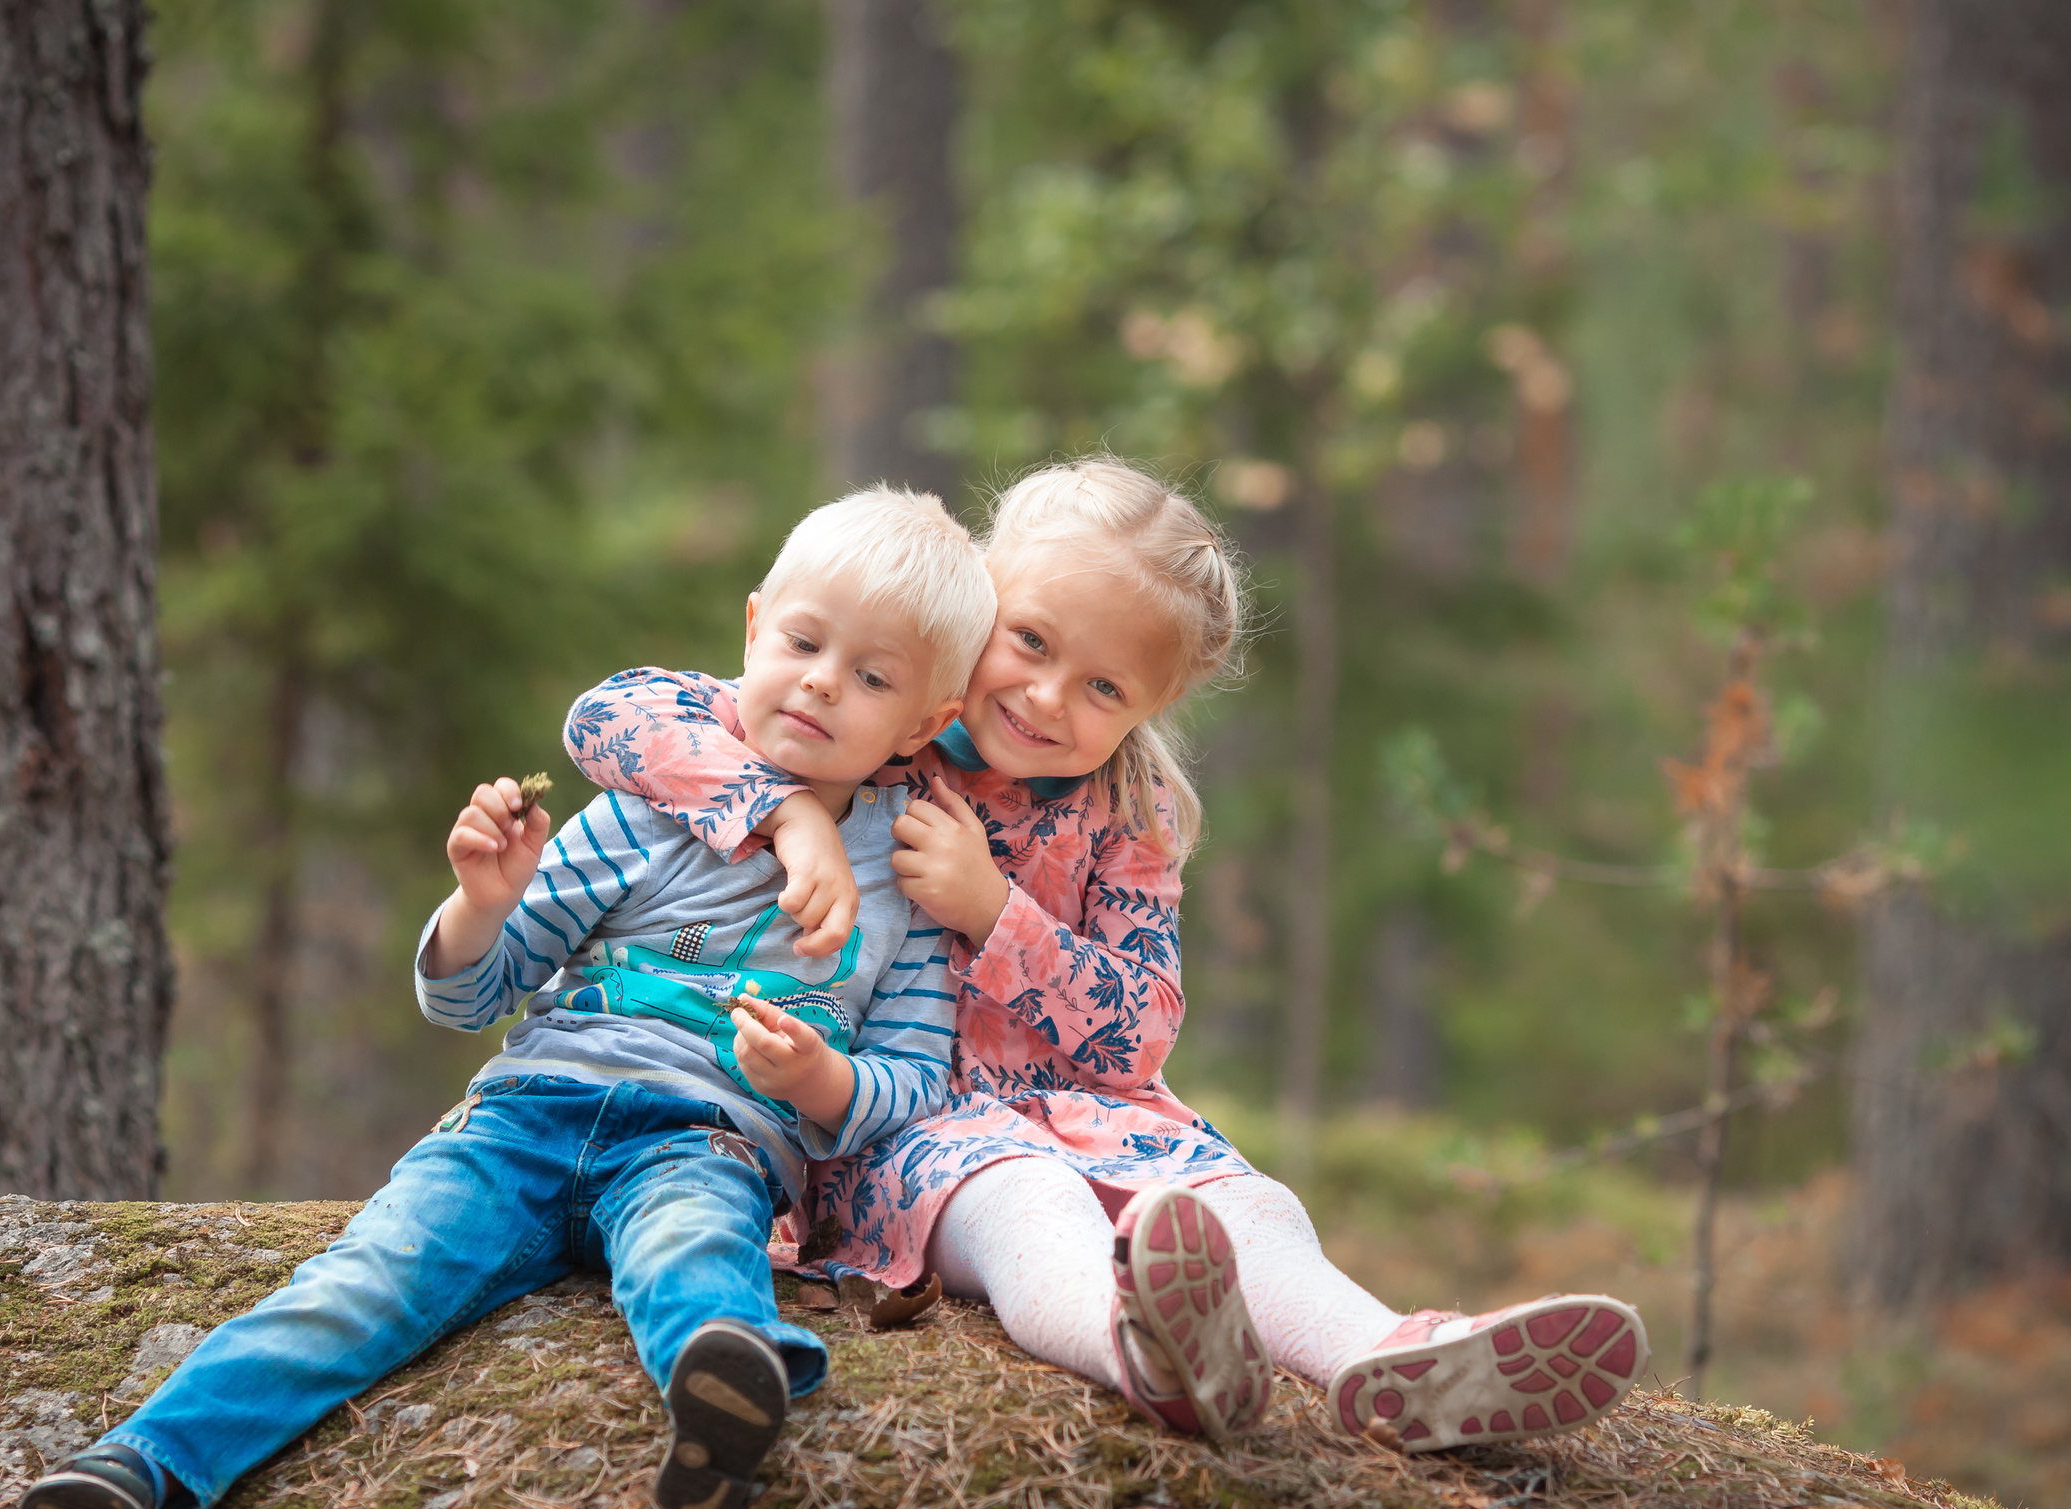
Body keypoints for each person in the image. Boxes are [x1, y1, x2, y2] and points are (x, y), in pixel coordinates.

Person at [2, 486, 995, 1509]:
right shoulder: (643, 809)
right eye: (805, 644)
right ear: (755, 626)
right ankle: (137, 1467)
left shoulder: (906, 885)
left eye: (871, 677)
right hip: (523, 1118)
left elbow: (912, 1077)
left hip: (705, 1139)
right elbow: (475, 993)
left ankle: (724, 1388)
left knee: (693, 1245)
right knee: (365, 1283)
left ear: (922, 723)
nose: (820, 682)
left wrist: (820, 1080)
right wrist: (482, 903)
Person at [562, 456, 1648, 1452]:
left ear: (1154, 706)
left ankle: (1394, 1359)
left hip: (1095, 1110)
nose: (1047, 697)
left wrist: (997, 912)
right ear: (981, 598)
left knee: (1249, 1205)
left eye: (1105, 688)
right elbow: (616, 717)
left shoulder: (1130, 814)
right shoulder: (877, 724)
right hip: (904, 1124)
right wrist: (789, 813)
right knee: (1033, 1202)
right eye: (1031, 642)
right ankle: (1144, 1352)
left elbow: (1139, 1034)